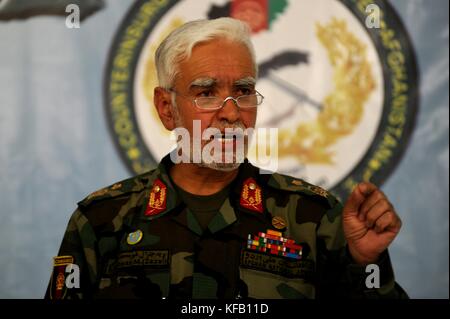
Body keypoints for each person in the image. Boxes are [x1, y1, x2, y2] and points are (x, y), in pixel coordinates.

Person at [45, 17, 408, 299]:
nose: (232, 113)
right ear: (166, 108)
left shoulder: (314, 218)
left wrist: (365, 264)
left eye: (244, 91)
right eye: (206, 93)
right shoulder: (99, 221)